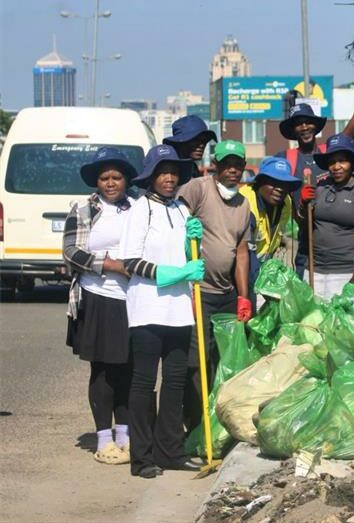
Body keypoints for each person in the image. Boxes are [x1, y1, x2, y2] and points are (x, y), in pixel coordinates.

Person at [120, 145, 206, 478]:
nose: (169, 178)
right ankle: (141, 457)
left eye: (173, 172)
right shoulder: (140, 210)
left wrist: (190, 249)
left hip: (180, 310)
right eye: (162, 172)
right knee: (144, 383)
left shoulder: (182, 210)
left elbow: (185, 255)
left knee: (175, 382)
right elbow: (130, 262)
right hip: (147, 308)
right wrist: (175, 273)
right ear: (151, 177)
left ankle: (169, 451)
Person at [63, 147, 137, 465]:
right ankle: (103, 438)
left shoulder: (137, 208)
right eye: (104, 178)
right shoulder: (82, 211)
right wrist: (109, 265)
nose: (110, 183)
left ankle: (125, 435)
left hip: (133, 300)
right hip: (96, 297)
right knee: (104, 370)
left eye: (116, 177)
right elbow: (70, 252)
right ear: (96, 182)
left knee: (129, 369)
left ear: (125, 180)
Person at [176, 140, 252, 434]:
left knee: (223, 361)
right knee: (196, 363)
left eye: (238, 165)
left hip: (226, 294)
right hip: (197, 291)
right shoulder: (199, 188)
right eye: (227, 165)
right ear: (216, 166)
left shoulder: (243, 203)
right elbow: (177, 222)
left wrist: (243, 297)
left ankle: (216, 424)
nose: (232, 171)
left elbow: (241, 252)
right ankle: (195, 425)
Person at [280, 57, 354, 279]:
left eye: (308, 122)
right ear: (292, 130)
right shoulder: (287, 159)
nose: (304, 127)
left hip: (343, 258)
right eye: (298, 124)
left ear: (316, 125)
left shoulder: (331, 153)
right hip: (306, 250)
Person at [298, 133, 354, 300]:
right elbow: (304, 223)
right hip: (314, 269)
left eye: (342, 161)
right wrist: (303, 204)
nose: (337, 166)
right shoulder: (320, 188)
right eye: (332, 162)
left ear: (352, 163)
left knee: (339, 323)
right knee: (312, 321)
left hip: (345, 273)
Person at [240, 156, 302, 304]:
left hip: (261, 264)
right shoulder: (245, 203)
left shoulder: (285, 201)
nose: (280, 189)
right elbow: (245, 254)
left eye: (284, 184)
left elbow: (277, 234)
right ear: (259, 182)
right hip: (241, 270)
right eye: (273, 183)